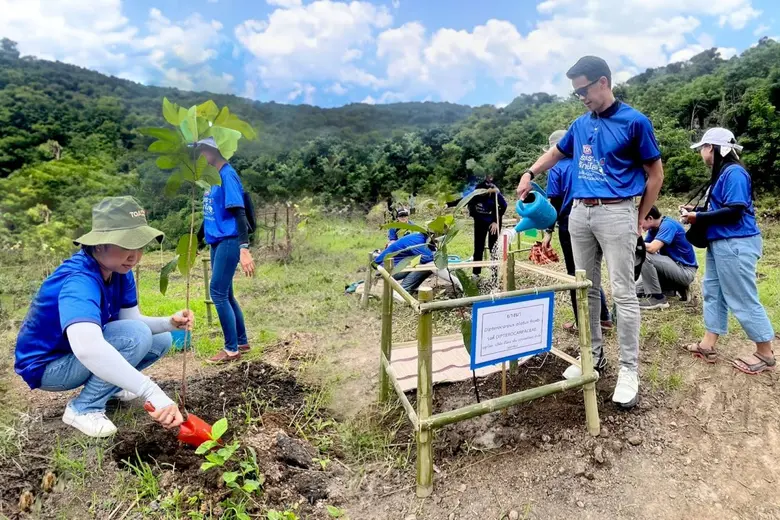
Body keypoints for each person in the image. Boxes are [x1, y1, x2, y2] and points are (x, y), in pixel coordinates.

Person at [516, 56, 665, 409]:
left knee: (624, 293)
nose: (581, 96)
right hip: (580, 212)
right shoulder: (581, 124)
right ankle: (593, 356)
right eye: (576, 92)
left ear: (603, 82)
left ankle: (629, 369)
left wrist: (637, 215)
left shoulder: (634, 122)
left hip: (617, 211)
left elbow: (655, 174)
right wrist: (530, 172)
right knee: (586, 288)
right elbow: (557, 151)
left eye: (584, 89)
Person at [14, 197, 193, 437]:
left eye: (140, 245)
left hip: (74, 355)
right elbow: (88, 348)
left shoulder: (119, 271)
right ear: (99, 245)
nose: (134, 256)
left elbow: (133, 320)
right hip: (49, 366)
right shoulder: (79, 280)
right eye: (126, 245)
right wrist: (152, 392)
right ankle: (83, 408)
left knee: (161, 339)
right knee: (135, 336)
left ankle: (112, 386)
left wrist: (168, 324)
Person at [681, 128, 775, 374]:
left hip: (736, 243)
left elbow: (735, 209)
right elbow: (722, 207)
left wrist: (698, 216)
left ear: (711, 148)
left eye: (703, 147)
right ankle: (707, 344)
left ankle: (765, 354)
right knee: (713, 291)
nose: (701, 152)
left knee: (742, 296)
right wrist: (697, 210)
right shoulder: (724, 174)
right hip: (721, 243)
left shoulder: (734, 173)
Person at [542, 130, 613, 332]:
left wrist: (548, 232)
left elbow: (554, 204)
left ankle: (582, 323)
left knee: (576, 275)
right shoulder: (587, 162)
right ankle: (604, 318)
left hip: (569, 224)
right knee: (591, 272)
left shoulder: (556, 168)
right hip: (597, 219)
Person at [196, 137, 255, 365]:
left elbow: (238, 212)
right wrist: (196, 239)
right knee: (226, 293)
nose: (200, 154)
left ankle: (231, 350)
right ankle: (241, 342)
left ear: (215, 150)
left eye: (203, 150)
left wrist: (244, 248)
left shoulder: (227, 174)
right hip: (216, 240)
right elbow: (211, 213)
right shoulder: (211, 176)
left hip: (229, 240)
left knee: (218, 293)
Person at [638, 206, 698, 309]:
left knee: (644, 254)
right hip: (670, 268)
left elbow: (652, 248)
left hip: (684, 270)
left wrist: (633, 242)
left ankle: (657, 298)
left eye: (639, 221)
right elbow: (645, 245)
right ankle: (671, 289)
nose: (638, 224)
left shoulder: (668, 225)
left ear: (650, 218)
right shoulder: (654, 229)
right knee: (635, 291)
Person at [468, 175, 507, 278]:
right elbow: (463, 200)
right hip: (480, 222)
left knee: (493, 247)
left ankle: (494, 274)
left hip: (493, 223)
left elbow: (504, 206)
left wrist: (495, 222)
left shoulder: (495, 194)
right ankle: (475, 274)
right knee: (478, 247)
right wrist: (448, 204)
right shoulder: (476, 195)